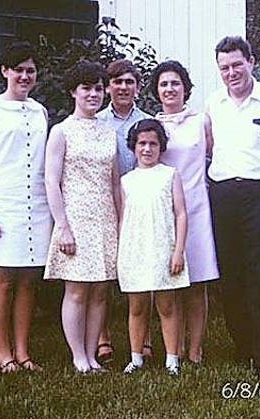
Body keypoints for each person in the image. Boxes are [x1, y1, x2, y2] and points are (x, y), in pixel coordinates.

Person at [206, 36, 260, 378]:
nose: (231, 72)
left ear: (252, 61)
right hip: (223, 194)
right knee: (232, 275)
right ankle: (241, 347)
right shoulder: (213, 103)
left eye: (237, 64)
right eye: (224, 67)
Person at [0, 41, 51, 373]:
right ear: (5, 71)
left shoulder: (40, 110)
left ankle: (23, 351)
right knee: (2, 278)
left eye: (30, 70)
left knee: (29, 280)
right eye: (18, 69)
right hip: (3, 204)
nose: (24, 76)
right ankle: (3, 353)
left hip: (37, 204)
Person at [44, 60, 120, 374]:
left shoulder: (109, 132)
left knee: (100, 290)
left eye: (98, 88)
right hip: (74, 217)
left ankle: (91, 354)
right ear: (73, 91)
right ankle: (78, 357)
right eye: (86, 88)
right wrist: (62, 227)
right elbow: (51, 180)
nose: (93, 94)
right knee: (76, 289)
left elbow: (115, 181)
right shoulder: (61, 131)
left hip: (105, 218)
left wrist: (122, 220)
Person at [151, 60, 219, 364]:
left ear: (185, 88)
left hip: (196, 206)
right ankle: (173, 348)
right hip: (164, 210)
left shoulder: (201, 121)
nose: (169, 89)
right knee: (171, 281)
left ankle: (195, 349)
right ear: (157, 90)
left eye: (175, 83)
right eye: (164, 84)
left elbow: (213, 156)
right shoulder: (153, 125)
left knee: (197, 283)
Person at [118, 119, 189, 376]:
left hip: (163, 247)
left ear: (161, 147)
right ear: (133, 147)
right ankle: (136, 357)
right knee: (137, 306)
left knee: (167, 305)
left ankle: (172, 359)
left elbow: (181, 214)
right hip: (135, 248)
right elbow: (123, 218)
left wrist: (178, 250)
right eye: (142, 143)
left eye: (153, 144)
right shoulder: (127, 181)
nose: (147, 149)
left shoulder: (170, 175)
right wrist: (121, 252)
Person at [96, 59, 151, 364]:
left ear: (138, 87)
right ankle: (103, 338)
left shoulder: (147, 121)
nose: (123, 87)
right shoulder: (98, 121)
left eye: (129, 82)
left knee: (145, 270)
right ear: (108, 87)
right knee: (104, 273)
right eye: (117, 82)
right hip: (105, 201)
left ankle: (144, 340)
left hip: (140, 203)